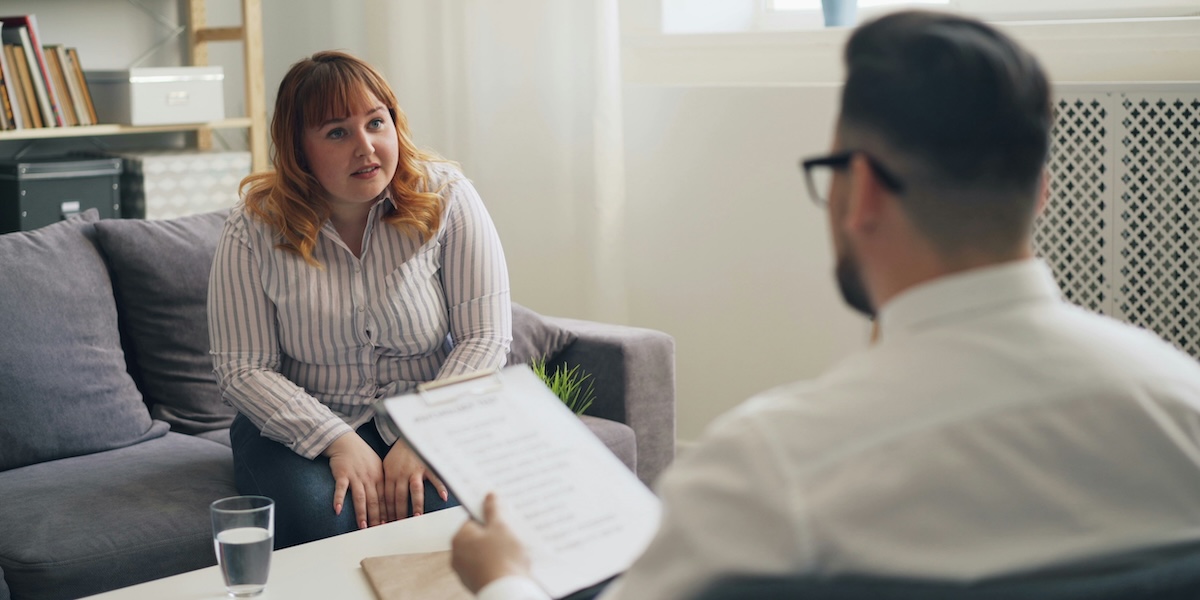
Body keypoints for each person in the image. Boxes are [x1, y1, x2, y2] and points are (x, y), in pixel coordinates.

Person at [448, 10, 1200, 600]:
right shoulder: (1181, 403)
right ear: (1040, 192)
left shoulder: (769, 468)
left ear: (863, 189)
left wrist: (504, 576)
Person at [208, 50, 512, 548]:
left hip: (427, 411)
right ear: (298, 150)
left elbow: (485, 337)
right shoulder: (252, 227)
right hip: (301, 424)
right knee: (325, 520)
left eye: (376, 122)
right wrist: (337, 440)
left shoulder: (447, 197)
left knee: (435, 511)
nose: (366, 146)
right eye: (336, 132)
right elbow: (243, 368)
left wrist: (425, 433)